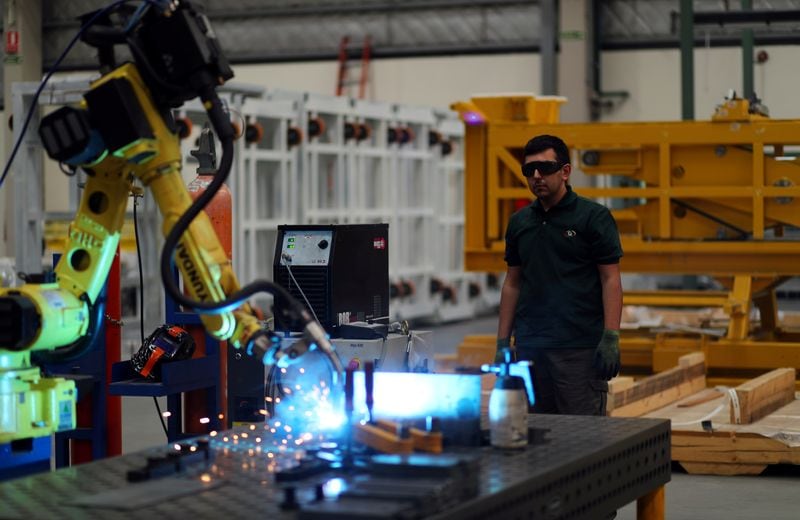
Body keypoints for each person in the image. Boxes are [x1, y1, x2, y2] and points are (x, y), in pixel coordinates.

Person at [496, 134, 623, 416]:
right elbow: (513, 283)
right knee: (536, 438)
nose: (537, 176)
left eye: (546, 168)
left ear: (565, 171)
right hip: (530, 349)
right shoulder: (520, 223)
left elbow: (610, 279)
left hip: (578, 350)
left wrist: (611, 335)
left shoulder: (593, 218)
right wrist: (503, 342)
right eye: (530, 170)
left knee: (583, 438)